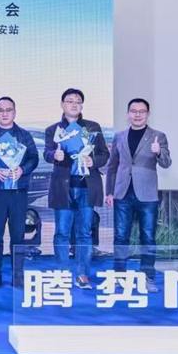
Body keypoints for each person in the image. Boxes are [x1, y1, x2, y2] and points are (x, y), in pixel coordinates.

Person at [43, 88, 109, 289]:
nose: (74, 104)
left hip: (87, 187)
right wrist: (54, 155)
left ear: (82, 105)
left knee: (84, 233)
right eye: (70, 101)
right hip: (63, 188)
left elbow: (104, 154)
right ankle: (62, 274)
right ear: (62, 104)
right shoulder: (53, 130)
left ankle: (82, 274)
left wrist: (93, 160)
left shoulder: (92, 127)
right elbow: (47, 152)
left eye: (78, 101)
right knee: (62, 232)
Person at [105, 98, 171, 290]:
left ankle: (148, 277)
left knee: (148, 236)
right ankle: (119, 276)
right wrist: (109, 192)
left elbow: (166, 163)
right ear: (128, 114)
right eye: (134, 111)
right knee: (120, 236)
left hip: (147, 194)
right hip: (122, 193)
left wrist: (158, 152)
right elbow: (112, 166)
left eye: (142, 111)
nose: (137, 115)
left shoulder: (158, 136)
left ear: (147, 114)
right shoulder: (119, 136)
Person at [0, 97, 40, 289]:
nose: (4, 113)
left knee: (18, 236)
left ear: (14, 112)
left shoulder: (24, 136)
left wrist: (22, 169)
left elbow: (34, 158)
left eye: (8, 110)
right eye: (0, 110)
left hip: (18, 193)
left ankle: (17, 276)